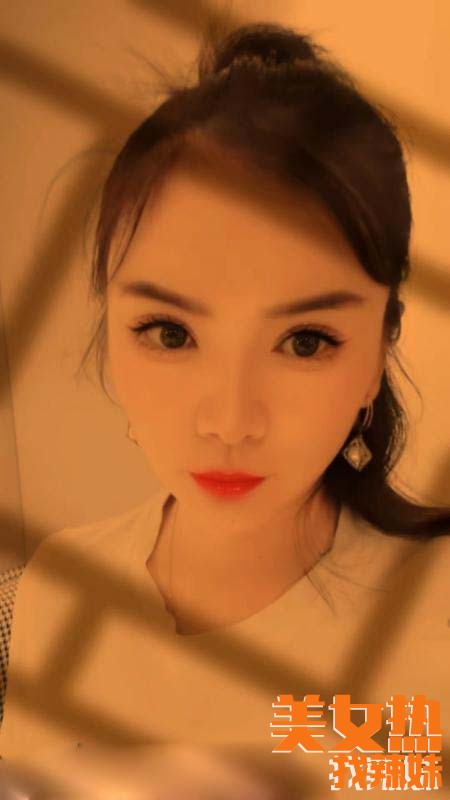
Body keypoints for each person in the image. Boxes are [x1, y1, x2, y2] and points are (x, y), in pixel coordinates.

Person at [1, 20, 449, 799]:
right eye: (171, 333)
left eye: (305, 342)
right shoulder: (59, 586)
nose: (231, 421)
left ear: (378, 356)